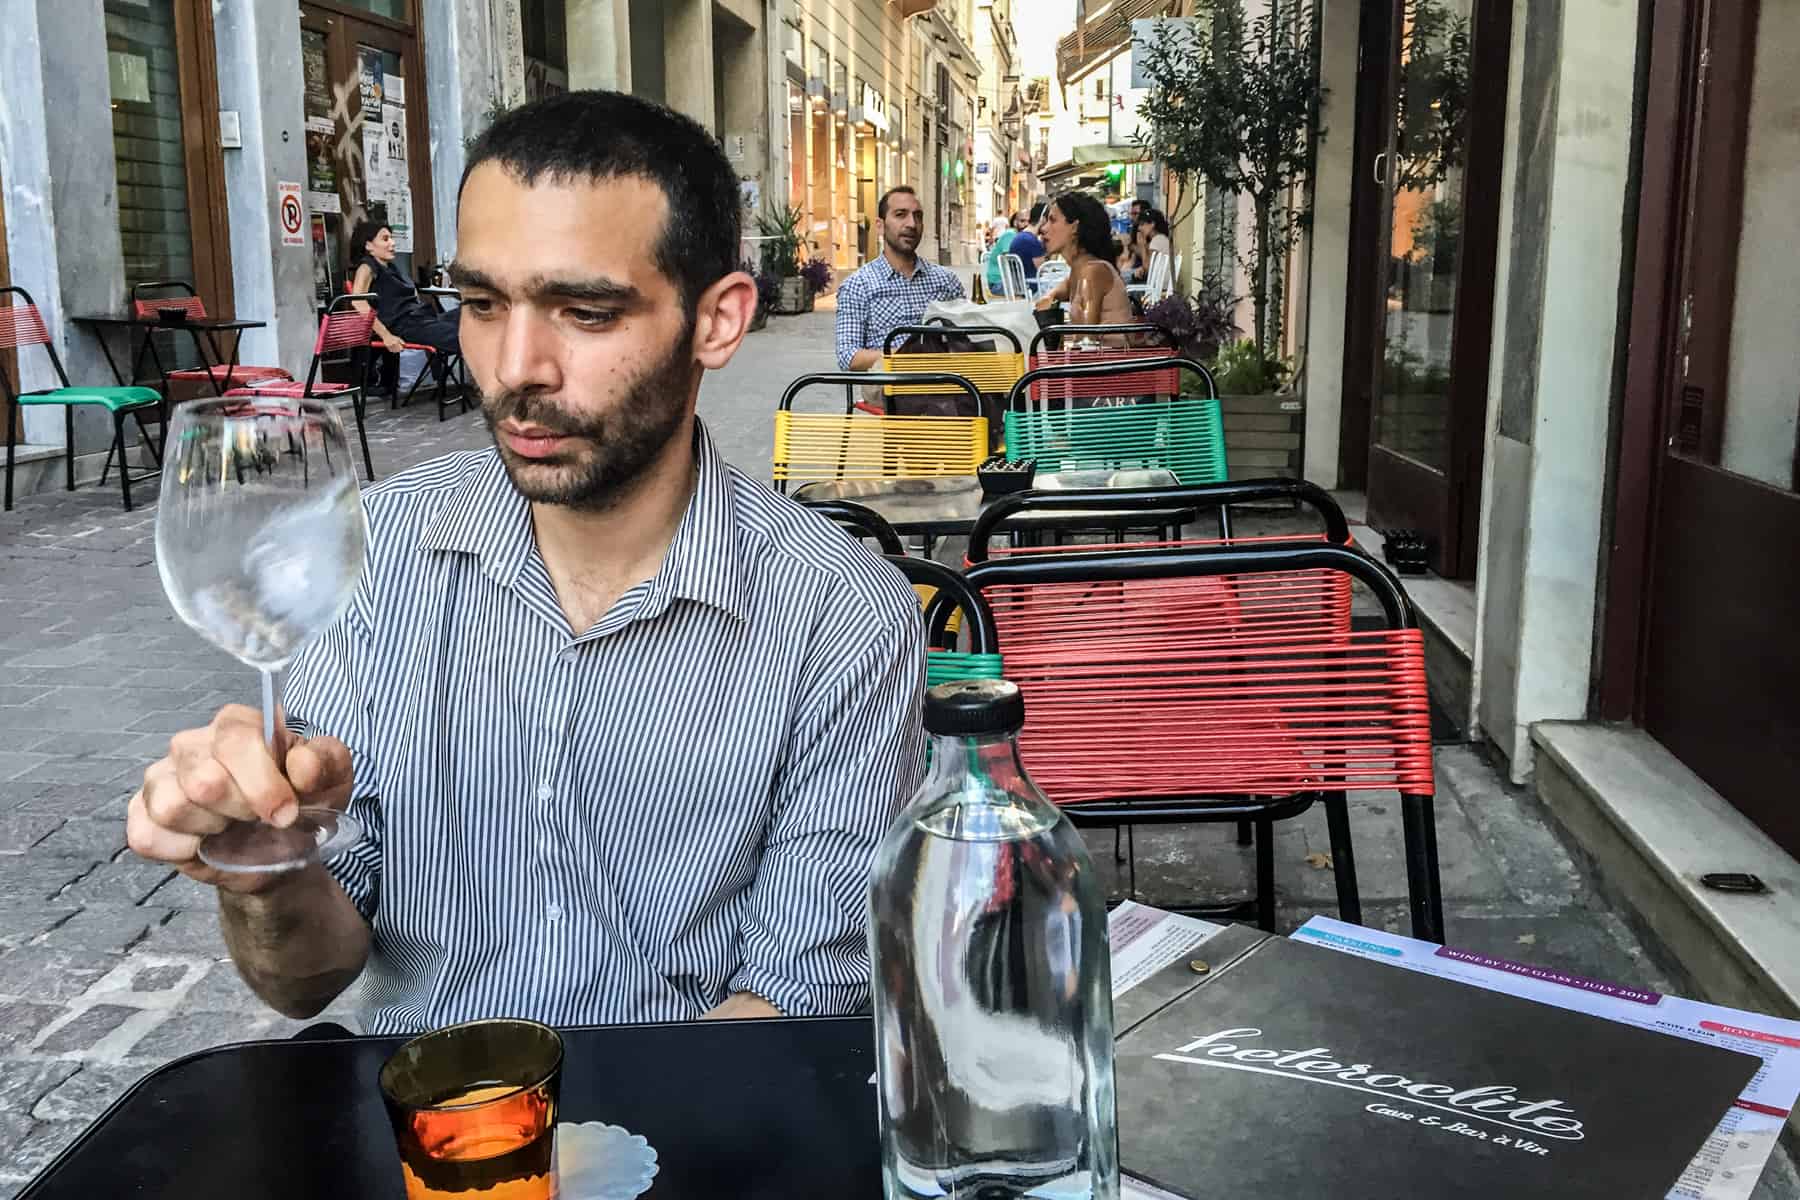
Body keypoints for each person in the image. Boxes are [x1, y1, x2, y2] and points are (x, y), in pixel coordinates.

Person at [126, 90, 927, 1035]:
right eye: (479, 303)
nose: (514, 366)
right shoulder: (379, 557)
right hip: (422, 1126)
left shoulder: (841, 619)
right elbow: (304, 980)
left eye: (584, 311)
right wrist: (272, 872)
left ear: (718, 321)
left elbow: (792, 1006)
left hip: (684, 1142)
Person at [834, 186, 965, 371]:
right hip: (889, 390)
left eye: (917, 216)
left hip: (947, 387)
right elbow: (849, 356)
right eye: (900, 214)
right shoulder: (858, 286)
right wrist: (912, 357)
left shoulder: (946, 281)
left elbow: (968, 339)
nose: (911, 223)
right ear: (880, 226)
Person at [347, 220, 459, 360]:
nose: (392, 243)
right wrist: (386, 336)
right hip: (406, 326)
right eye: (385, 239)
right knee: (465, 337)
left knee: (470, 314)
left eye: (391, 238)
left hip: (422, 318)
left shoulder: (390, 267)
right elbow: (358, 302)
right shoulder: (367, 266)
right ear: (368, 245)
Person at [1035, 191, 1132, 327]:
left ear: (1075, 227)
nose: (1043, 229)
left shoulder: (1091, 271)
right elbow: (1065, 287)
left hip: (1109, 348)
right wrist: (1050, 296)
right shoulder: (1080, 267)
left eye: (1052, 220)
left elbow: (1086, 340)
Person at [1008, 202, 1048, 287]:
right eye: (1050, 221)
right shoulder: (1032, 242)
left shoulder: (1020, 237)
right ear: (1043, 220)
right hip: (1032, 288)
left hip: (1019, 286)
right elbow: (1043, 272)